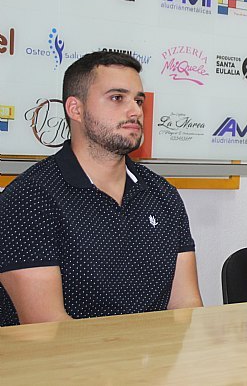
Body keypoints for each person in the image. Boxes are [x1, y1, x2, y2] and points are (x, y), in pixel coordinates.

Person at [0, 51, 203, 326]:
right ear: (76, 109)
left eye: (138, 100)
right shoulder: (28, 200)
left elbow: (185, 306)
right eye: (117, 98)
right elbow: (47, 328)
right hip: (66, 366)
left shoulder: (163, 195)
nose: (135, 111)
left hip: (153, 362)